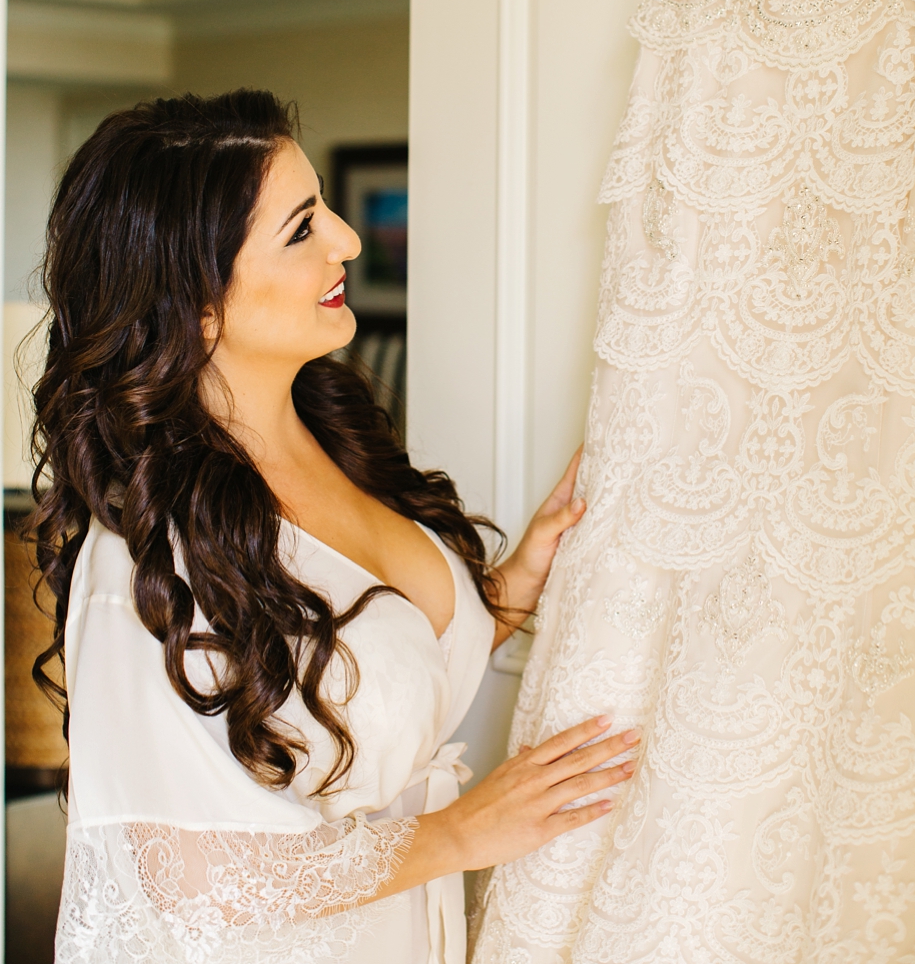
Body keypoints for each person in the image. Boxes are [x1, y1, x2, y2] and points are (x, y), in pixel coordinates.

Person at [30, 90, 630, 963]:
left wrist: (513, 581)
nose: (348, 239)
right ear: (198, 298)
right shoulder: (145, 559)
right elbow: (187, 874)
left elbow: (348, 680)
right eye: (303, 227)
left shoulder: (336, 436)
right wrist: (463, 833)